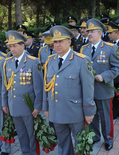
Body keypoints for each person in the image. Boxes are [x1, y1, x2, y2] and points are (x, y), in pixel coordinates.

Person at [43, 25, 96, 155]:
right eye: (55, 41)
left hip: (75, 112)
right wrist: (46, 107)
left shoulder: (81, 61)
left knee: (80, 145)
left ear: (69, 41)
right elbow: (46, 86)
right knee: (63, 144)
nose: (57, 44)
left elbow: (88, 88)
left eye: (60, 41)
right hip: (56, 111)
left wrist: (89, 112)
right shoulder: (50, 61)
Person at [80, 18, 119, 150]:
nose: (89, 34)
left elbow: (118, 67)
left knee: (105, 117)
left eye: (92, 31)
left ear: (100, 33)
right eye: (88, 31)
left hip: (103, 89)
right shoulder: (83, 49)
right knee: (92, 115)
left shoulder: (110, 48)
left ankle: (108, 139)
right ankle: (95, 136)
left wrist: (103, 76)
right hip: (88, 91)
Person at [2, 30, 43, 154]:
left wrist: (37, 106)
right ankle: (25, 152)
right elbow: (5, 85)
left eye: (15, 46)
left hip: (28, 107)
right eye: (10, 46)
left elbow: (39, 88)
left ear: (22, 46)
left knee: (31, 134)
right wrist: (4, 103)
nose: (12, 49)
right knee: (21, 134)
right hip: (13, 106)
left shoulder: (33, 62)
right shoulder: (7, 63)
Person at [106, 21, 119, 119]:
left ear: (116, 33)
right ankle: (114, 114)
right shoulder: (108, 44)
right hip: (113, 75)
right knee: (114, 97)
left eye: (110, 33)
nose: (108, 35)